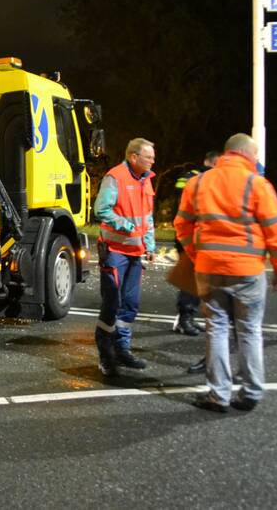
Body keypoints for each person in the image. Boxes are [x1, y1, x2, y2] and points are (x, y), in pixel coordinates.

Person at [173, 133, 277, 413]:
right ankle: (250, 393)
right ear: (249, 156)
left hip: (209, 268)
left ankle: (218, 395)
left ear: (226, 153)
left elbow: (182, 225)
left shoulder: (198, 182)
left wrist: (196, 255)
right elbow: (276, 231)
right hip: (247, 271)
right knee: (249, 331)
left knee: (217, 330)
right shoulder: (257, 185)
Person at [94, 137, 156, 376]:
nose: (152, 161)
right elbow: (101, 210)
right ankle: (106, 355)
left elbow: (148, 216)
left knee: (130, 305)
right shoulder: (115, 177)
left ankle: (122, 350)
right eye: (148, 157)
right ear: (134, 157)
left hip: (135, 252)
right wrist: (128, 227)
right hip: (115, 251)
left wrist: (149, 245)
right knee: (112, 303)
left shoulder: (146, 180)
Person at [172, 151, 220, 336]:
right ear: (214, 163)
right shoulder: (196, 179)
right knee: (191, 280)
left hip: (192, 233)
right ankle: (184, 319)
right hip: (190, 234)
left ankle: (188, 317)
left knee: (197, 280)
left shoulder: (193, 177)